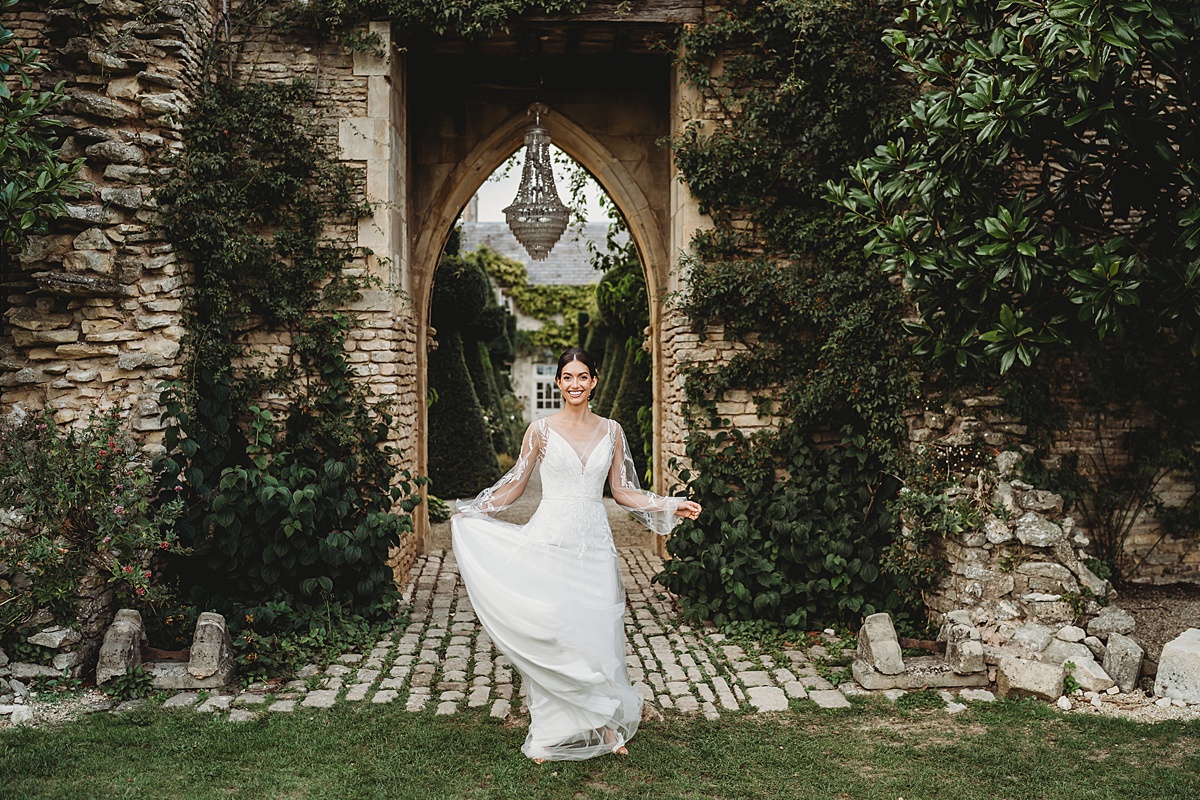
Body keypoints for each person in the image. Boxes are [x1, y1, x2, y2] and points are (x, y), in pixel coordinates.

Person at [450, 346, 702, 763]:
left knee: (596, 632)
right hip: (552, 536)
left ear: (594, 381)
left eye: (582, 376)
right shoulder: (540, 430)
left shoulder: (613, 430)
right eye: (567, 377)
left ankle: (603, 723)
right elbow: (515, 485)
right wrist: (472, 510)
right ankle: (550, 731)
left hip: (595, 544)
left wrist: (668, 504)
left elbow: (621, 491)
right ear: (558, 383)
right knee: (557, 629)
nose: (575, 384)